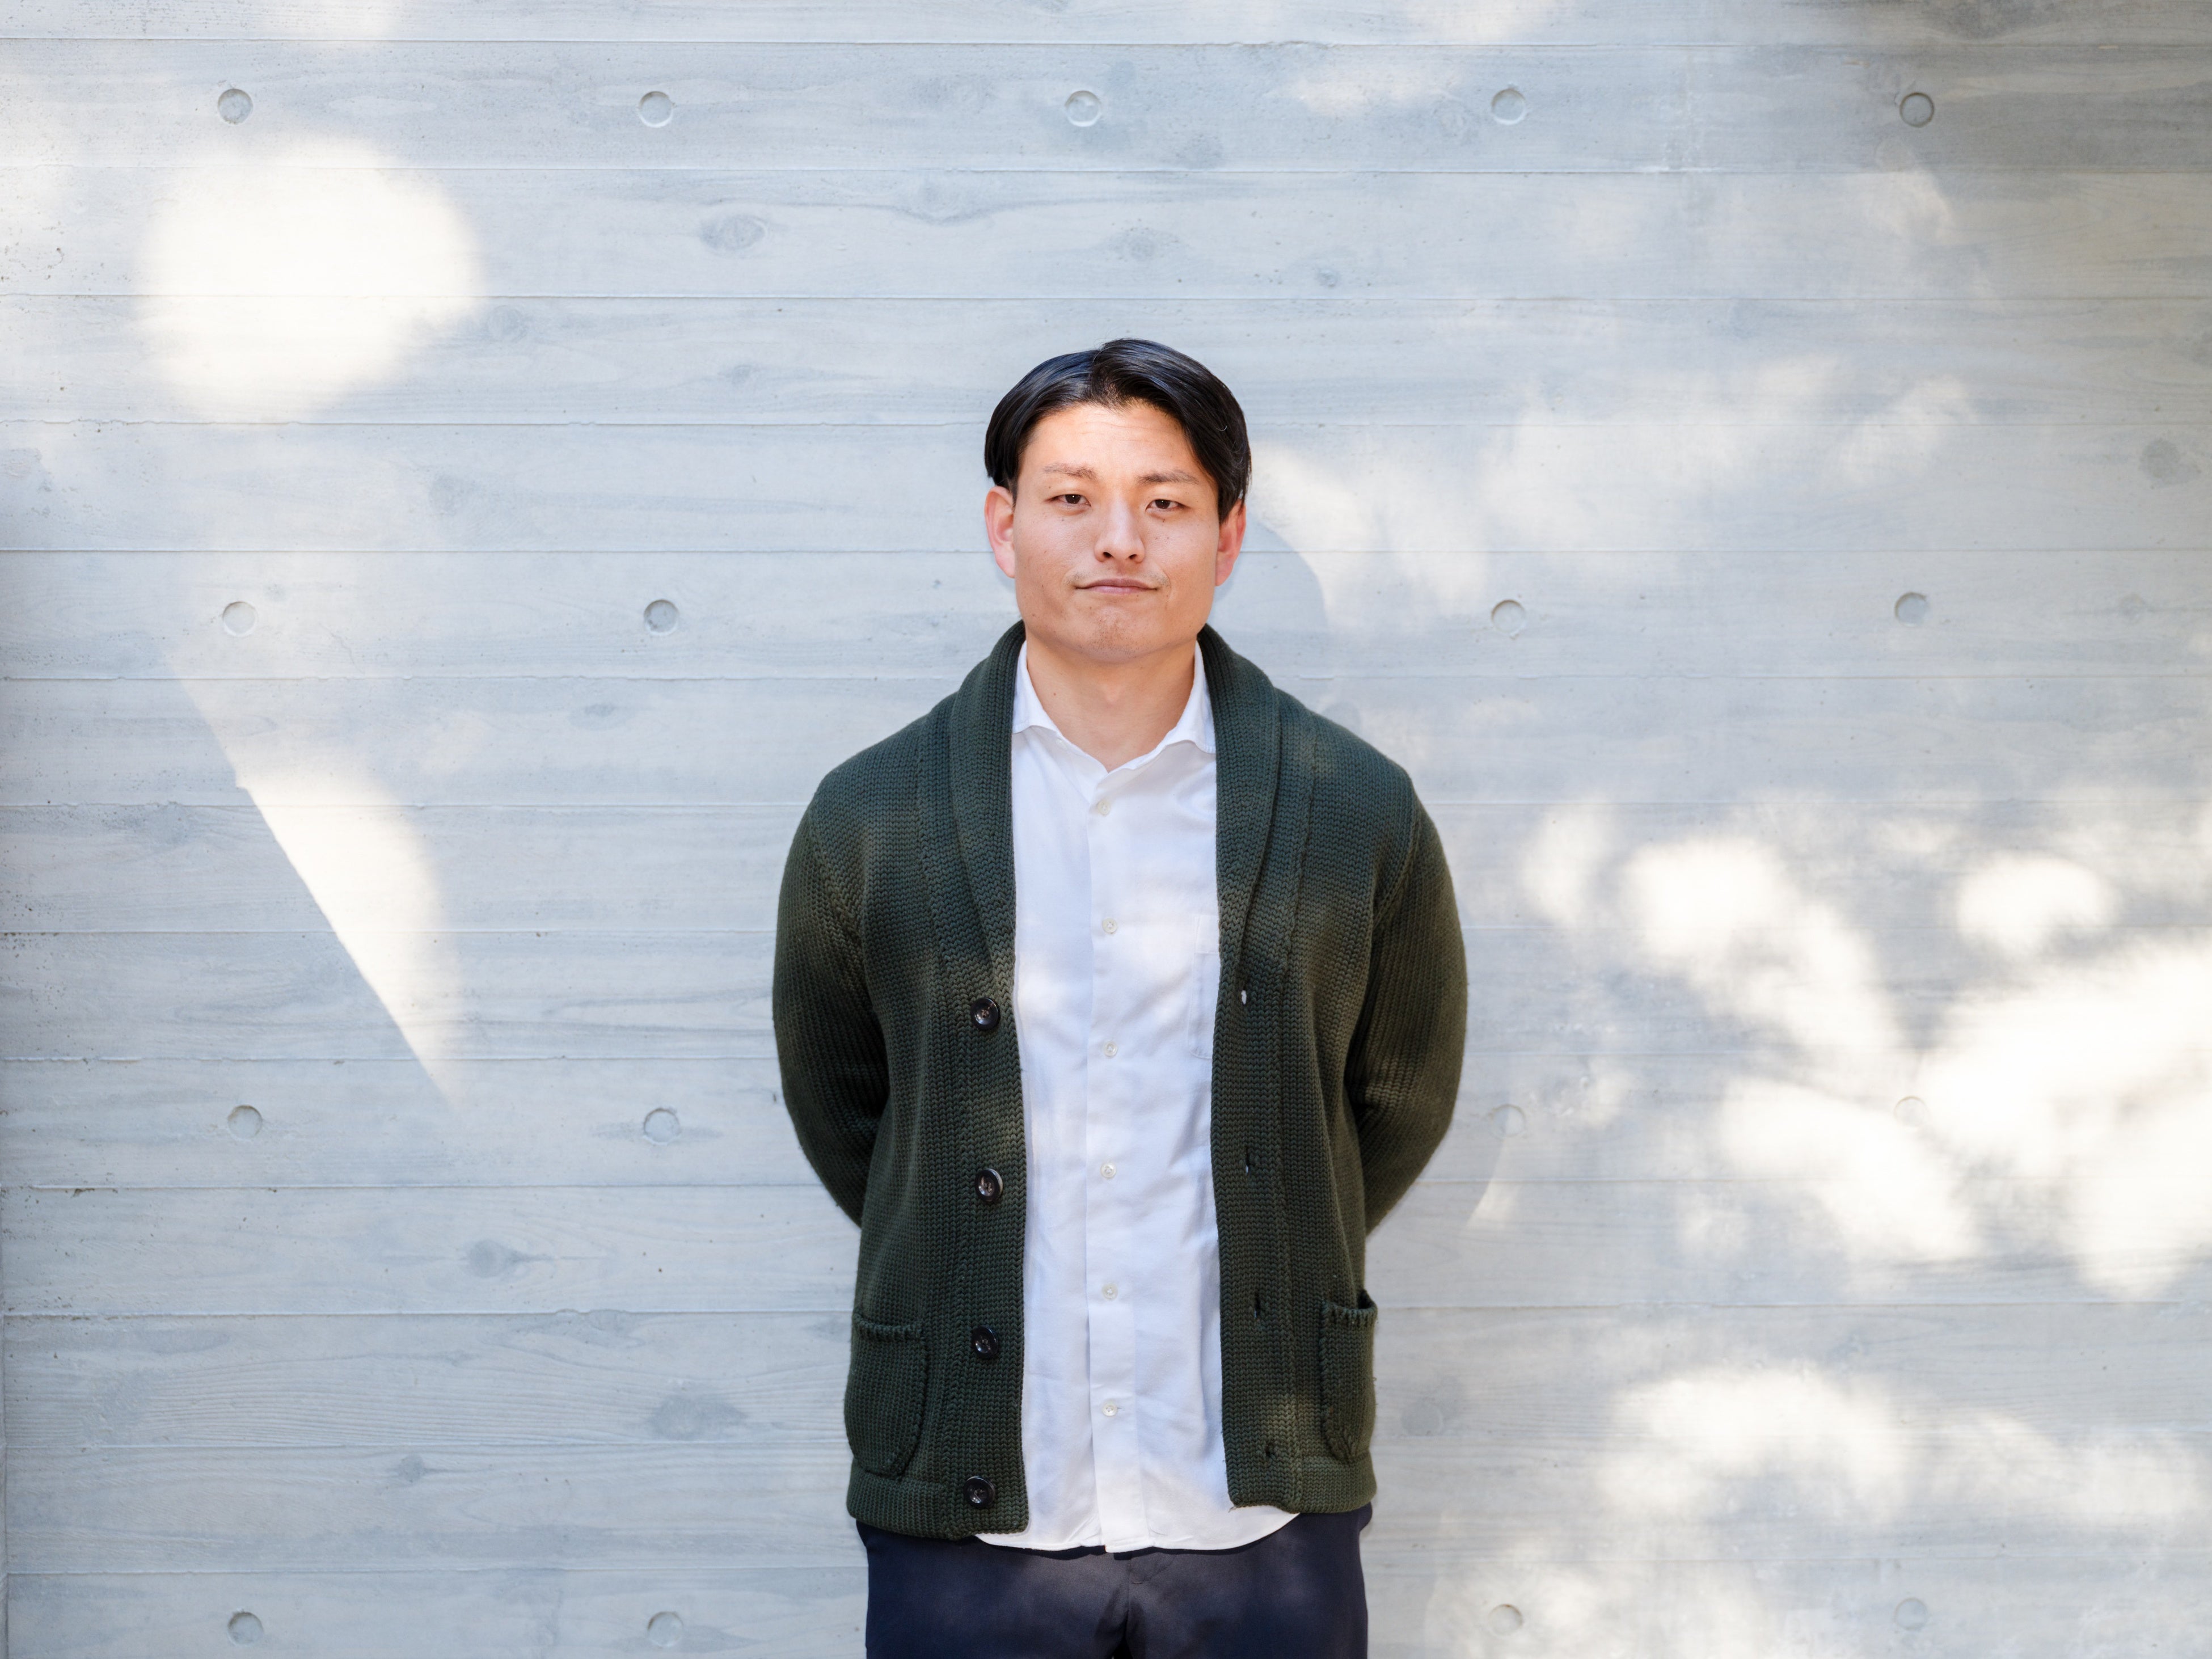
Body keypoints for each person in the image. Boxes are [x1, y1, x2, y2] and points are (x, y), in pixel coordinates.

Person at [774, 339, 1467, 1658]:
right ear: (1004, 526)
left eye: (1165, 501)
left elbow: (1396, 1094)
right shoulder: (873, 819)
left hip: (1259, 1514)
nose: (1119, 540)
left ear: (1228, 535)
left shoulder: (1352, 811)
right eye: (1072, 498)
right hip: (972, 1518)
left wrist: (1273, 1229)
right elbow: (852, 1109)